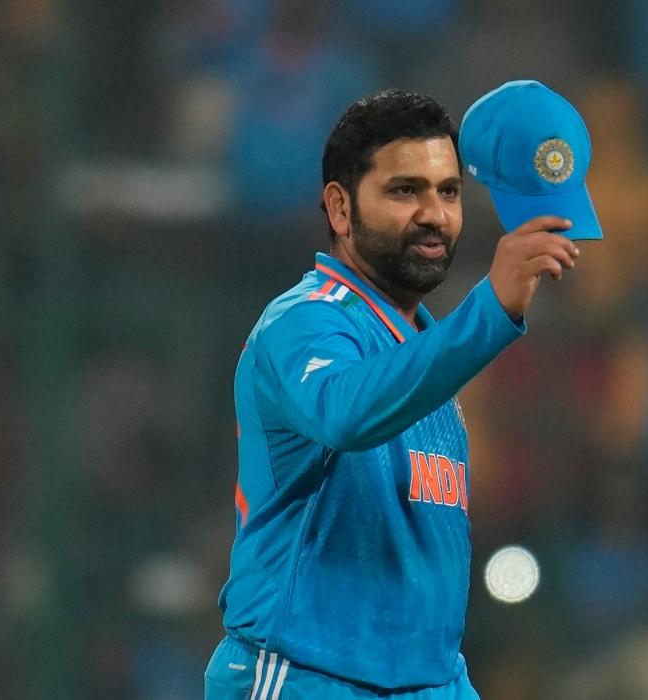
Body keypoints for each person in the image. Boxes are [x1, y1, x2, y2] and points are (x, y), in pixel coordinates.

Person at [205, 86, 594, 698]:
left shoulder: (422, 350)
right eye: (405, 191)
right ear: (340, 208)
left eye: (448, 191)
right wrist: (490, 310)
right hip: (306, 678)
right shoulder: (304, 321)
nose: (434, 214)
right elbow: (345, 414)